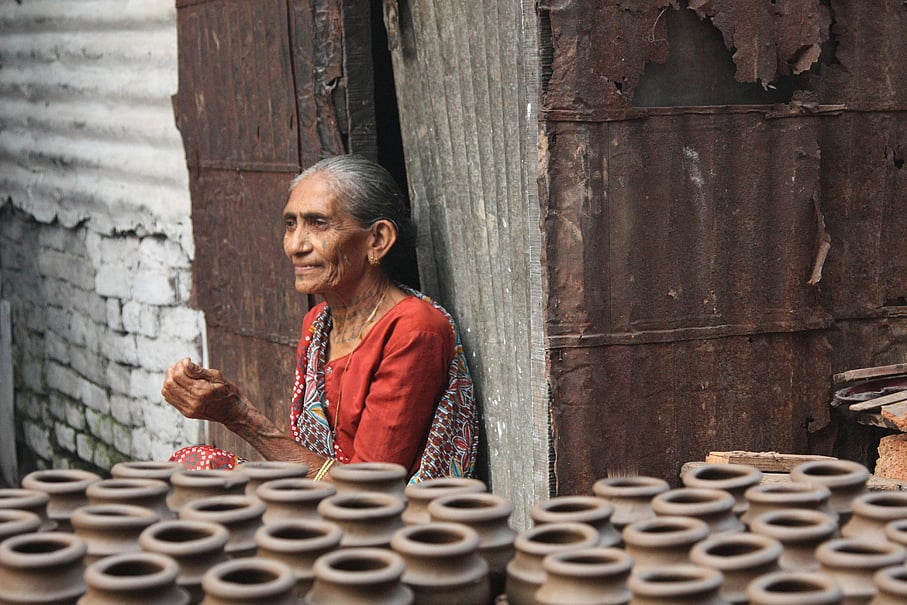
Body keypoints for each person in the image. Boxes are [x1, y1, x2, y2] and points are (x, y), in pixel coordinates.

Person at [161, 154, 479, 482]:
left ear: (378, 240)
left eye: (318, 223)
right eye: (290, 224)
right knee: (192, 466)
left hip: (377, 517)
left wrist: (241, 417)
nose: (295, 246)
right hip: (327, 495)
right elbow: (309, 461)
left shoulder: (414, 330)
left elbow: (369, 490)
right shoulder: (318, 323)